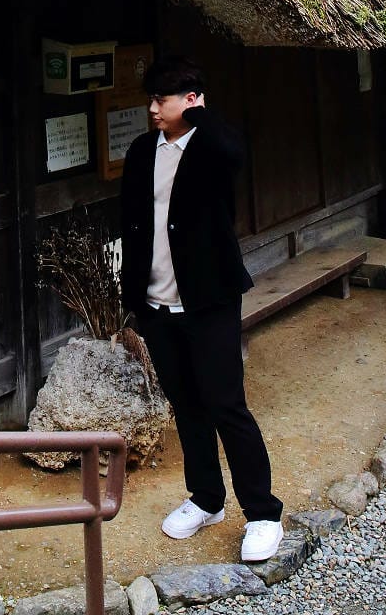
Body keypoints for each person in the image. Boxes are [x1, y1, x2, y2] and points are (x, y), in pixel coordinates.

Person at [119, 55, 284, 562]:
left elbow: (235, 152)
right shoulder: (143, 151)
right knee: (187, 406)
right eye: (150, 99)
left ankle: (261, 513)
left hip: (208, 301)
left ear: (189, 100)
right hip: (156, 303)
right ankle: (206, 497)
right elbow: (131, 220)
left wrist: (201, 111)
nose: (152, 109)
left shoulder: (211, 147)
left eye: (161, 100)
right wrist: (133, 300)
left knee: (225, 403)